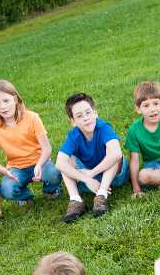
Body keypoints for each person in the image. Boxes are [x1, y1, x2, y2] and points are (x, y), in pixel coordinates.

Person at [55, 93, 129, 221]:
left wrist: (90, 174)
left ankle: (102, 195)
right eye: (79, 116)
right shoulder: (74, 135)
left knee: (114, 154)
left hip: (113, 176)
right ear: (73, 122)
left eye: (88, 112)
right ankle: (76, 200)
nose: (85, 118)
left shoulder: (103, 128)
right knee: (67, 161)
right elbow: (59, 163)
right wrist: (88, 179)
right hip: (88, 181)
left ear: (95, 113)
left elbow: (116, 153)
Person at [0, 79, 62, 205]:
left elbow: (47, 148)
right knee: (6, 189)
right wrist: (6, 172)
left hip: (40, 162)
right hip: (16, 168)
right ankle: (25, 197)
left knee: (54, 174)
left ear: (15, 100)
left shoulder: (32, 117)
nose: (3, 106)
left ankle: (50, 190)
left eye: (6, 100)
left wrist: (39, 165)